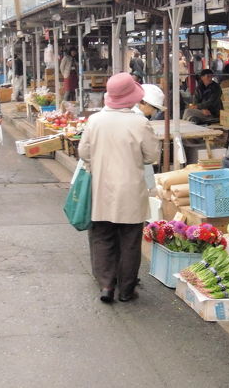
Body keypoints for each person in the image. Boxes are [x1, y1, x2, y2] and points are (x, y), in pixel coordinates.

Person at [78, 72, 159, 303]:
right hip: (131, 192)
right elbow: (151, 155)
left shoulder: (95, 120)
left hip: (101, 189)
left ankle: (106, 285)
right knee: (130, 242)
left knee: (102, 237)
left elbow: (83, 153)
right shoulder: (140, 122)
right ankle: (126, 290)